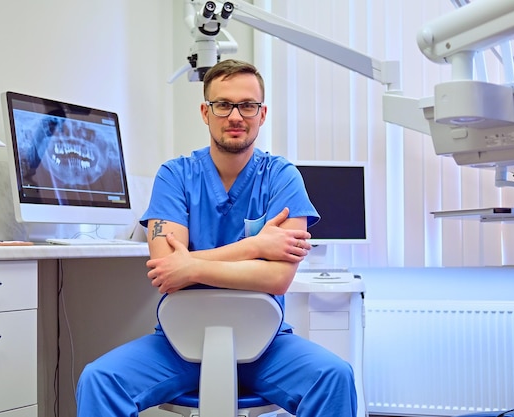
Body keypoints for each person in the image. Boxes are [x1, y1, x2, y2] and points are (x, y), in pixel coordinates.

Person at [76, 59, 357, 417]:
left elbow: (278, 278)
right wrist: (255, 247)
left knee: (335, 378)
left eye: (247, 105)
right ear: (205, 112)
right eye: (223, 105)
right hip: (178, 343)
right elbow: (166, 271)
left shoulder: (281, 177)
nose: (235, 116)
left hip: (267, 344)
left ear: (262, 113)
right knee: (99, 381)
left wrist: (190, 265)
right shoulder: (175, 176)